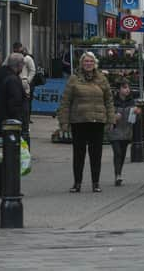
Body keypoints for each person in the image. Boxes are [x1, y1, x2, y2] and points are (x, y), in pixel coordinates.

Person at [58, 52, 114, 193]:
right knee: (79, 154)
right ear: (81, 63)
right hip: (79, 121)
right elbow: (65, 102)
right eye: (85, 61)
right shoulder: (74, 79)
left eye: (90, 61)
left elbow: (109, 101)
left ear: (94, 63)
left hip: (97, 121)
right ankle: (77, 183)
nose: (88, 64)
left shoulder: (102, 79)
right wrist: (64, 122)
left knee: (96, 154)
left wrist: (110, 119)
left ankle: (96, 183)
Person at [109, 80, 136, 186]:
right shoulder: (113, 101)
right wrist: (113, 117)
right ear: (118, 90)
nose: (127, 90)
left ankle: (119, 172)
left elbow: (134, 119)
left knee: (123, 153)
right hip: (115, 130)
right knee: (117, 153)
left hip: (126, 131)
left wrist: (137, 114)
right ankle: (117, 175)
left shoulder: (131, 101)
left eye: (128, 87)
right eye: (124, 87)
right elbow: (108, 113)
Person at [0, 53, 27, 132]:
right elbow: (15, 102)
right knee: (16, 142)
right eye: (22, 64)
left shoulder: (2, 75)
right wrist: (20, 120)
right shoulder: (12, 80)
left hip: (2, 118)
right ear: (18, 65)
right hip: (12, 123)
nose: (23, 67)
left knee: (5, 141)